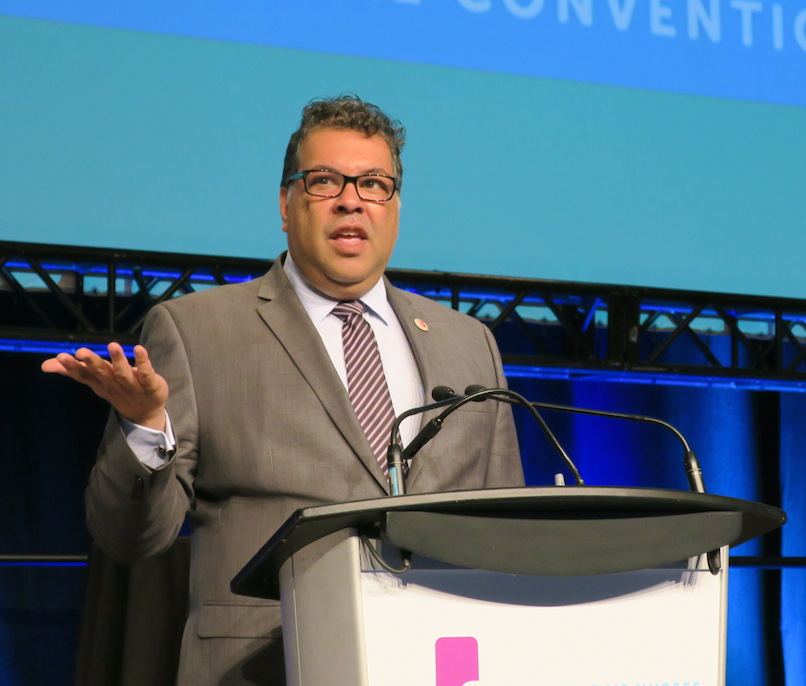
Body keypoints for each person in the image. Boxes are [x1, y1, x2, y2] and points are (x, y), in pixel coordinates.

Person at [41, 95, 524, 685]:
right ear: (285, 203)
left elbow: (507, 532)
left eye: (374, 183)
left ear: (395, 205)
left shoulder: (467, 342)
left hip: (440, 658)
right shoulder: (197, 330)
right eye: (325, 181)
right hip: (267, 666)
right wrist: (145, 428)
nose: (352, 199)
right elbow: (130, 538)